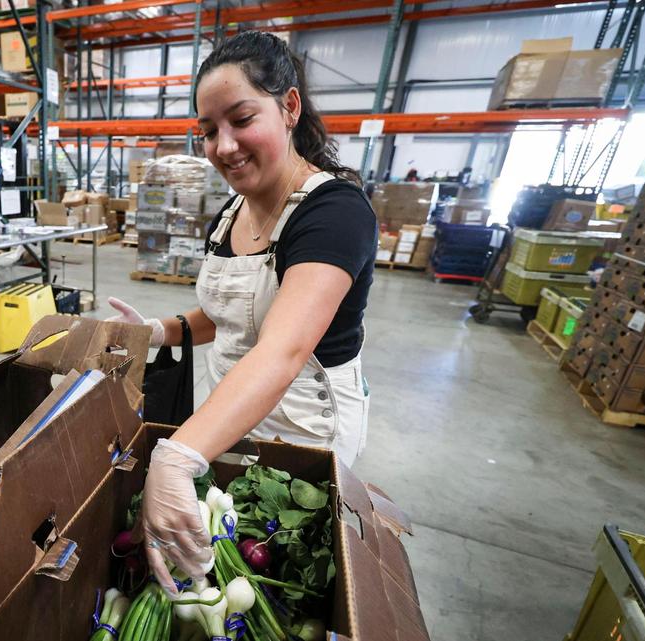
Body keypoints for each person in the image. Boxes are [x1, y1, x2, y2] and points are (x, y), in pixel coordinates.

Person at [106, 31, 377, 594]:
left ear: (290, 107)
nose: (224, 145)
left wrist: (177, 456)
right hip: (225, 413)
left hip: (300, 429)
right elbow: (229, 313)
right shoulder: (232, 212)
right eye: (208, 131)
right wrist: (159, 331)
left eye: (241, 119)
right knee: (223, 564)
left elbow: (283, 346)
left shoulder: (334, 213)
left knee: (279, 571)